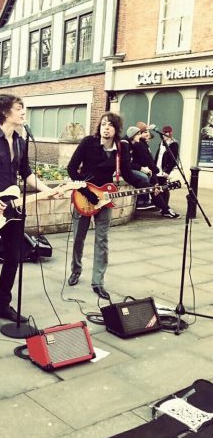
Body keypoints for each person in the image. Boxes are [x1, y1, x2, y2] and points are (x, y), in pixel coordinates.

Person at [0, 94, 61, 334]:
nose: (24, 112)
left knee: (14, 258)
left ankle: (4, 306)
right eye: (19, 108)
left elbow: (27, 174)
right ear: (6, 113)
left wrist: (48, 190)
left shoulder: (20, 142)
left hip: (13, 208)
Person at [67, 112, 142, 300]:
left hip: (106, 198)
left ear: (116, 129)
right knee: (78, 238)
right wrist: (87, 192)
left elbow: (128, 174)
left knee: (102, 240)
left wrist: (149, 185)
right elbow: (71, 168)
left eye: (110, 125)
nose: (106, 128)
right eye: (103, 124)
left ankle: (98, 282)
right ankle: (76, 270)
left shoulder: (121, 148)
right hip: (84, 195)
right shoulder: (88, 143)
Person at [129, 123, 179, 218]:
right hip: (148, 171)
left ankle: (164, 209)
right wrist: (154, 170)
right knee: (154, 187)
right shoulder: (139, 145)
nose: (148, 135)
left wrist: (163, 172)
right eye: (145, 132)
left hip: (154, 171)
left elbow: (171, 160)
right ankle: (150, 203)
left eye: (148, 132)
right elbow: (148, 161)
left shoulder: (144, 144)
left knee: (158, 188)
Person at [154, 125, 179, 206]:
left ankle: (165, 205)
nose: (164, 134)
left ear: (170, 133)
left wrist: (167, 171)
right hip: (158, 167)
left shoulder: (173, 144)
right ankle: (159, 204)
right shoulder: (161, 143)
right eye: (163, 132)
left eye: (166, 133)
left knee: (164, 187)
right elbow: (158, 155)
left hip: (165, 169)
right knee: (158, 186)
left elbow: (173, 160)